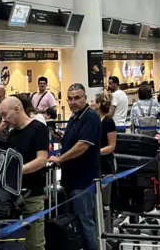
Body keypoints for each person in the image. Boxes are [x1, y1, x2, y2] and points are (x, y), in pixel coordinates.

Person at [48, 83, 100, 250]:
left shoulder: (90, 116)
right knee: (74, 222)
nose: (73, 102)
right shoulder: (74, 117)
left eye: (77, 98)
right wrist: (61, 139)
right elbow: (72, 143)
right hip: (70, 179)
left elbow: (82, 146)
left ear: (85, 98)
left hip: (83, 180)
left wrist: (61, 158)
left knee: (85, 221)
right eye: (70, 99)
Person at [0, 97, 49, 250]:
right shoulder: (12, 135)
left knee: (35, 243)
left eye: (5, 114)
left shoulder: (38, 128)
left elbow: (41, 160)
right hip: (13, 196)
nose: (4, 119)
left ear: (17, 109)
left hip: (32, 195)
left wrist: (17, 172)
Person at [90, 91, 117, 228]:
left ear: (99, 104)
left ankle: (107, 230)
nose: (90, 103)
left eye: (92, 101)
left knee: (105, 202)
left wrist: (96, 152)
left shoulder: (108, 122)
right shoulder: (92, 121)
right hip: (94, 165)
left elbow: (111, 146)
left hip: (106, 165)